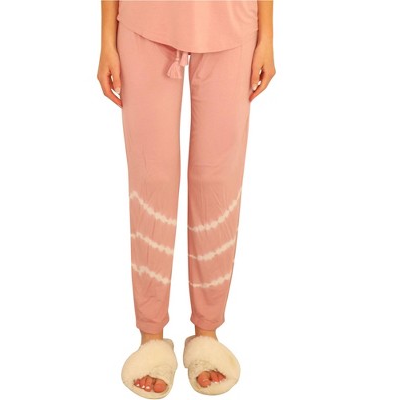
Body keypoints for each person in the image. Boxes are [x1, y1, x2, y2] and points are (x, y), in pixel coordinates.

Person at [97, 1, 275, 397]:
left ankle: (207, 333)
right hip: (145, 21)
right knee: (152, 179)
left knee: (218, 180)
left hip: (232, 22)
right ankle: (151, 337)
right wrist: (107, 38)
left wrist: (267, 35)